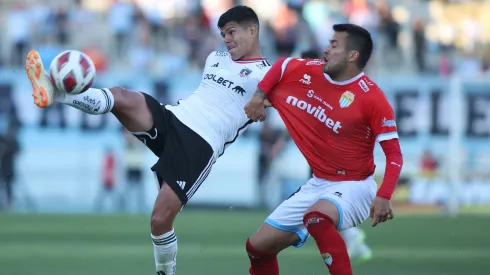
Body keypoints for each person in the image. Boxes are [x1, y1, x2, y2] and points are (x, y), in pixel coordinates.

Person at [25, 6, 270, 275]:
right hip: (173, 117)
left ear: (253, 30)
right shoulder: (215, 57)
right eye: (223, 34)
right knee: (121, 97)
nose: (227, 39)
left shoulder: (268, 75)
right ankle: (55, 94)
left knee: (159, 220)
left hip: (199, 144)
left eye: (232, 32)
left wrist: (262, 101)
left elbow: (293, 100)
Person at [244, 24, 403, 275]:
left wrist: (384, 195)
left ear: (353, 56)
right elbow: (282, 65)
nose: (326, 50)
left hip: (356, 185)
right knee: (257, 248)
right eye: (328, 43)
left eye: (334, 45)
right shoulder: (313, 70)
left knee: (316, 217)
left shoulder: (372, 98)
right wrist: (258, 96)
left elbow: (394, 154)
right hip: (318, 182)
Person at [269, 49, 373, 264]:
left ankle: (348, 236)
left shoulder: (326, 89)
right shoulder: (315, 89)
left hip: (331, 161)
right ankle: (351, 238)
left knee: (321, 202)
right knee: (322, 202)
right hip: (320, 159)